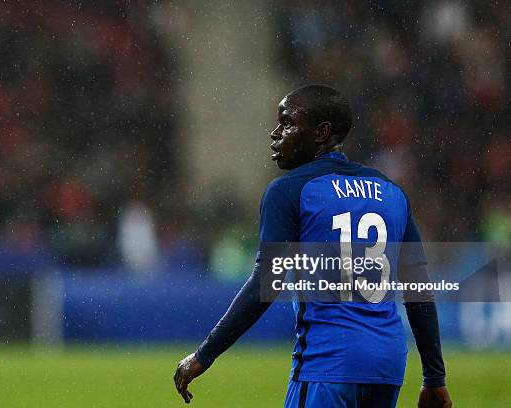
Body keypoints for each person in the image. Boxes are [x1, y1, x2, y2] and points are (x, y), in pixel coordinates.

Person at [173, 85, 452, 407]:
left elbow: (266, 283)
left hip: (328, 362)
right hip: (387, 365)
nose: (275, 134)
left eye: (287, 123)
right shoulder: (391, 191)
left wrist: (204, 354)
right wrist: (434, 377)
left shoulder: (290, 190)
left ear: (322, 132)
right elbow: (418, 290)